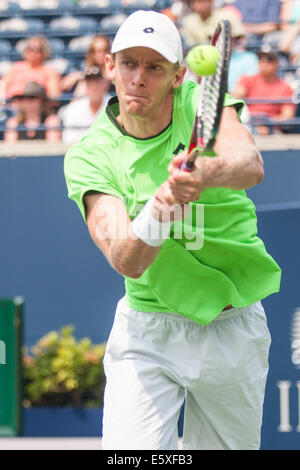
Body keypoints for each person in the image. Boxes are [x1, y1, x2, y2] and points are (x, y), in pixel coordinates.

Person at [64, 10, 281, 450]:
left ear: (179, 75)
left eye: (154, 67)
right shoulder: (89, 155)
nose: (138, 78)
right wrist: (163, 205)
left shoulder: (204, 104)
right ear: (110, 66)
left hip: (232, 322)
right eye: (129, 63)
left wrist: (205, 175)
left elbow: (249, 165)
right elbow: (126, 259)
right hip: (148, 330)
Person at [233, 45, 296, 134]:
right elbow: (236, 97)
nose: (264, 62)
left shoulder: (285, 87)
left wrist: (267, 122)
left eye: (269, 59)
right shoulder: (247, 80)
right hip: (247, 124)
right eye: (261, 59)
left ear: (276, 63)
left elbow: (287, 116)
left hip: (271, 129)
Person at [60, 66, 111, 144]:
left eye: (97, 82)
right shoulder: (73, 109)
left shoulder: (115, 107)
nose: (93, 86)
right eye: (89, 82)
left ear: (105, 84)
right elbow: (69, 140)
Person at [3, 36, 61, 100]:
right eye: (30, 49)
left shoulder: (50, 72)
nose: (33, 53)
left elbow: (54, 97)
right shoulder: (15, 68)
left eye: (38, 50)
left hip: (35, 106)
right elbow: (2, 88)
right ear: (25, 51)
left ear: (44, 53)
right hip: (11, 105)